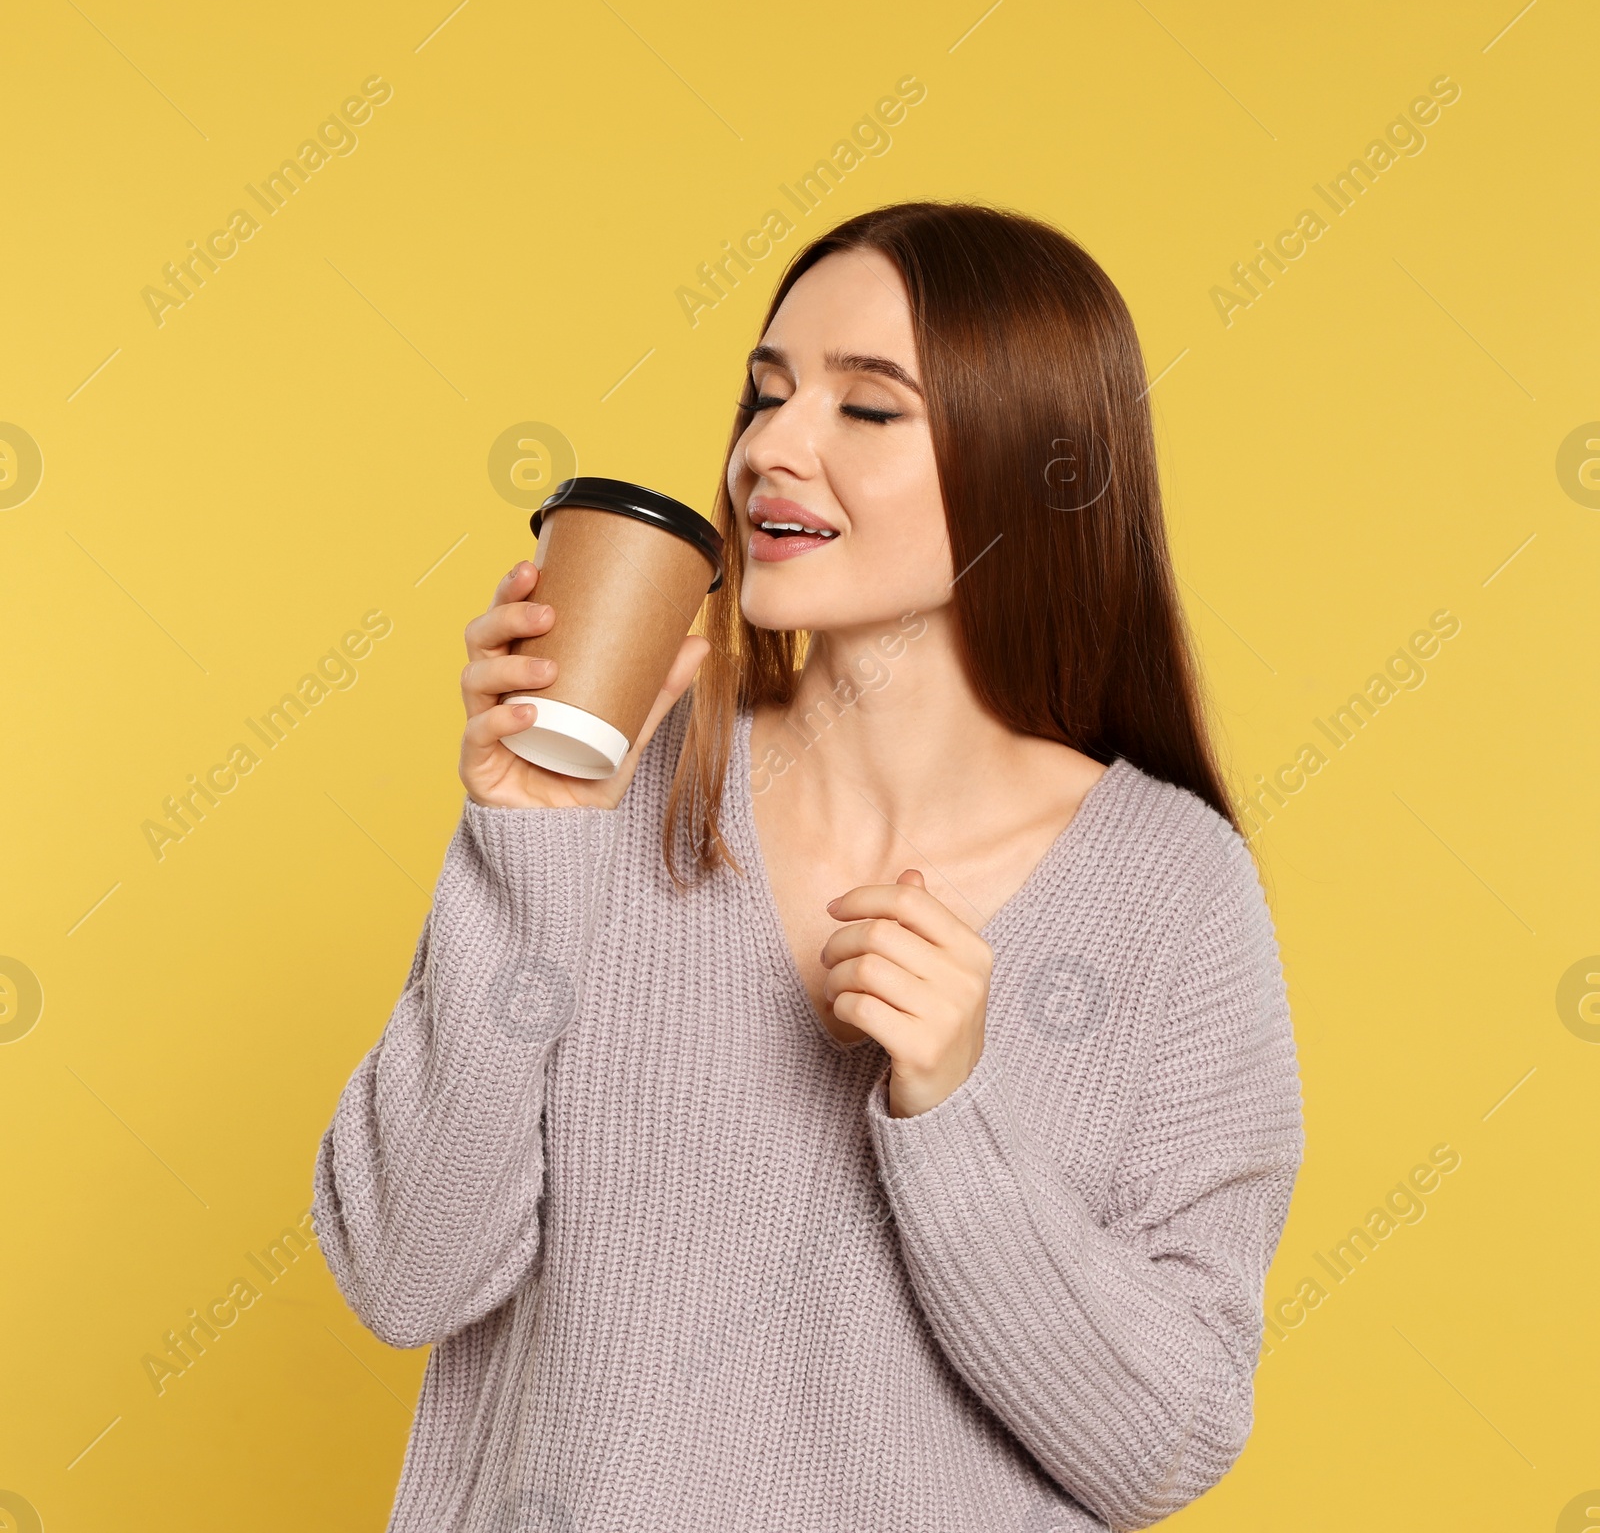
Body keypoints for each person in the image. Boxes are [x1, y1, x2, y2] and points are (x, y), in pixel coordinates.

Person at [313, 200, 1306, 1533]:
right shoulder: (610, 795)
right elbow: (404, 1273)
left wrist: (954, 1116)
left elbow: (1164, 1440)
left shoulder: (1174, 891)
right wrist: (527, 836)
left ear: (1034, 465)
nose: (770, 450)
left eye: (869, 410)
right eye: (765, 395)